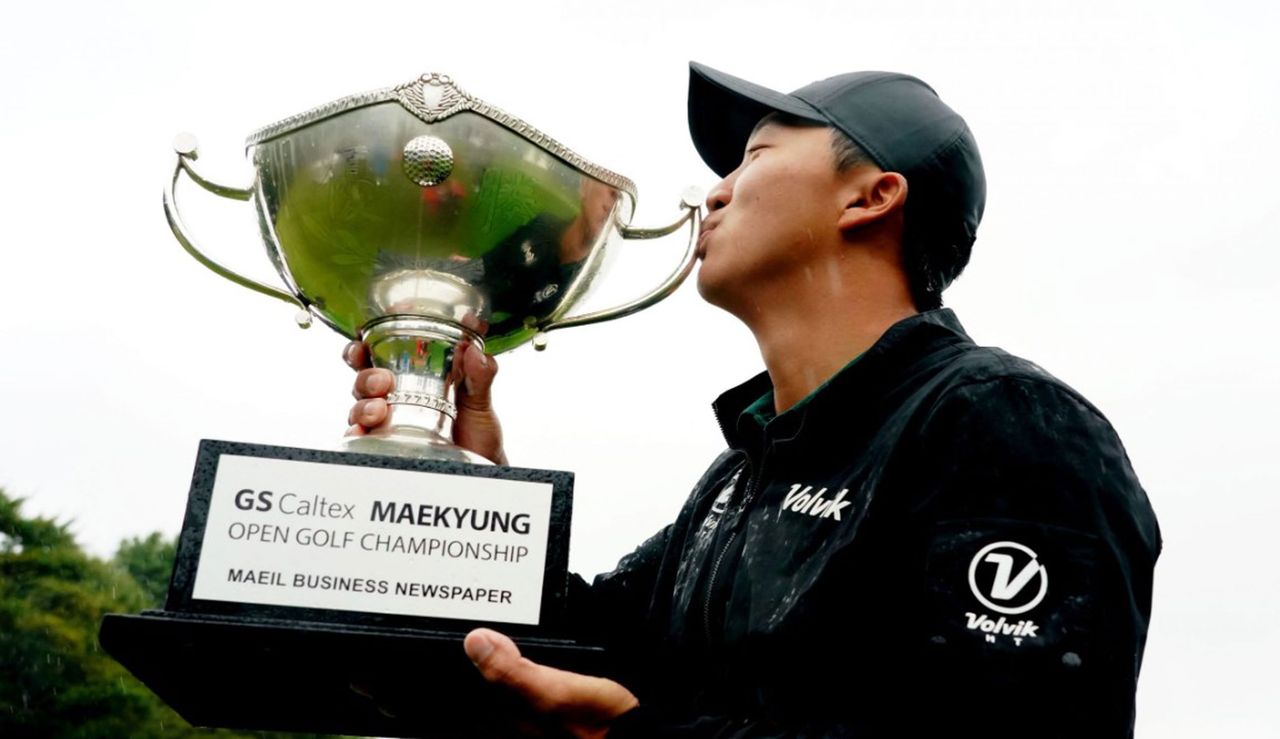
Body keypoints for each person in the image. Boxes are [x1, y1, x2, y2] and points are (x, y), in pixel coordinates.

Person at [346, 62, 1162, 738]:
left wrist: (636, 736)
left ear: (871, 197)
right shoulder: (737, 478)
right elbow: (573, 651)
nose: (715, 194)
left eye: (755, 157)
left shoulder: (1003, 424)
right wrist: (462, 501)